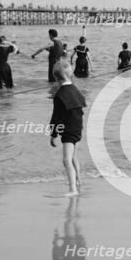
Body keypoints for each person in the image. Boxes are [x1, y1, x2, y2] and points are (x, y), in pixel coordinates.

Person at [49, 60, 87, 196]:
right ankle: (78, 181)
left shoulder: (59, 95)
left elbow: (56, 117)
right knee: (73, 157)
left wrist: (53, 134)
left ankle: (72, 189)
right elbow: (82, 104)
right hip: (78, 127)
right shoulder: (75, 89)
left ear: (56, 78)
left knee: (66, 160)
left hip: (69, 130)